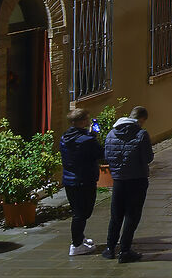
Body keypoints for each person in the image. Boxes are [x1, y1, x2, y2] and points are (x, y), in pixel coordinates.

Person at [102, 106, 155, 262]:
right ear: (141, 119)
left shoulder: (111, 133)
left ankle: (109, 248)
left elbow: (107, 156)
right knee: (132, 215)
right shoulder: (141, 134)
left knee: (116, 215)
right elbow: (148, 158)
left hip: (118, 180)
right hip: (137, 179)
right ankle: (125, 250)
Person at [60, 115, 103, 256]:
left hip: (69, 180)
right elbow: (100, 153)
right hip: (85, 179)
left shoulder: (65, 138)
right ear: (83, 121)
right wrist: (93, 138)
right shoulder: (87, 140)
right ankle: (76, 244)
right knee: (83, 212)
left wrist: (90, 136)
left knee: (78, 211)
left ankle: (79, 238)